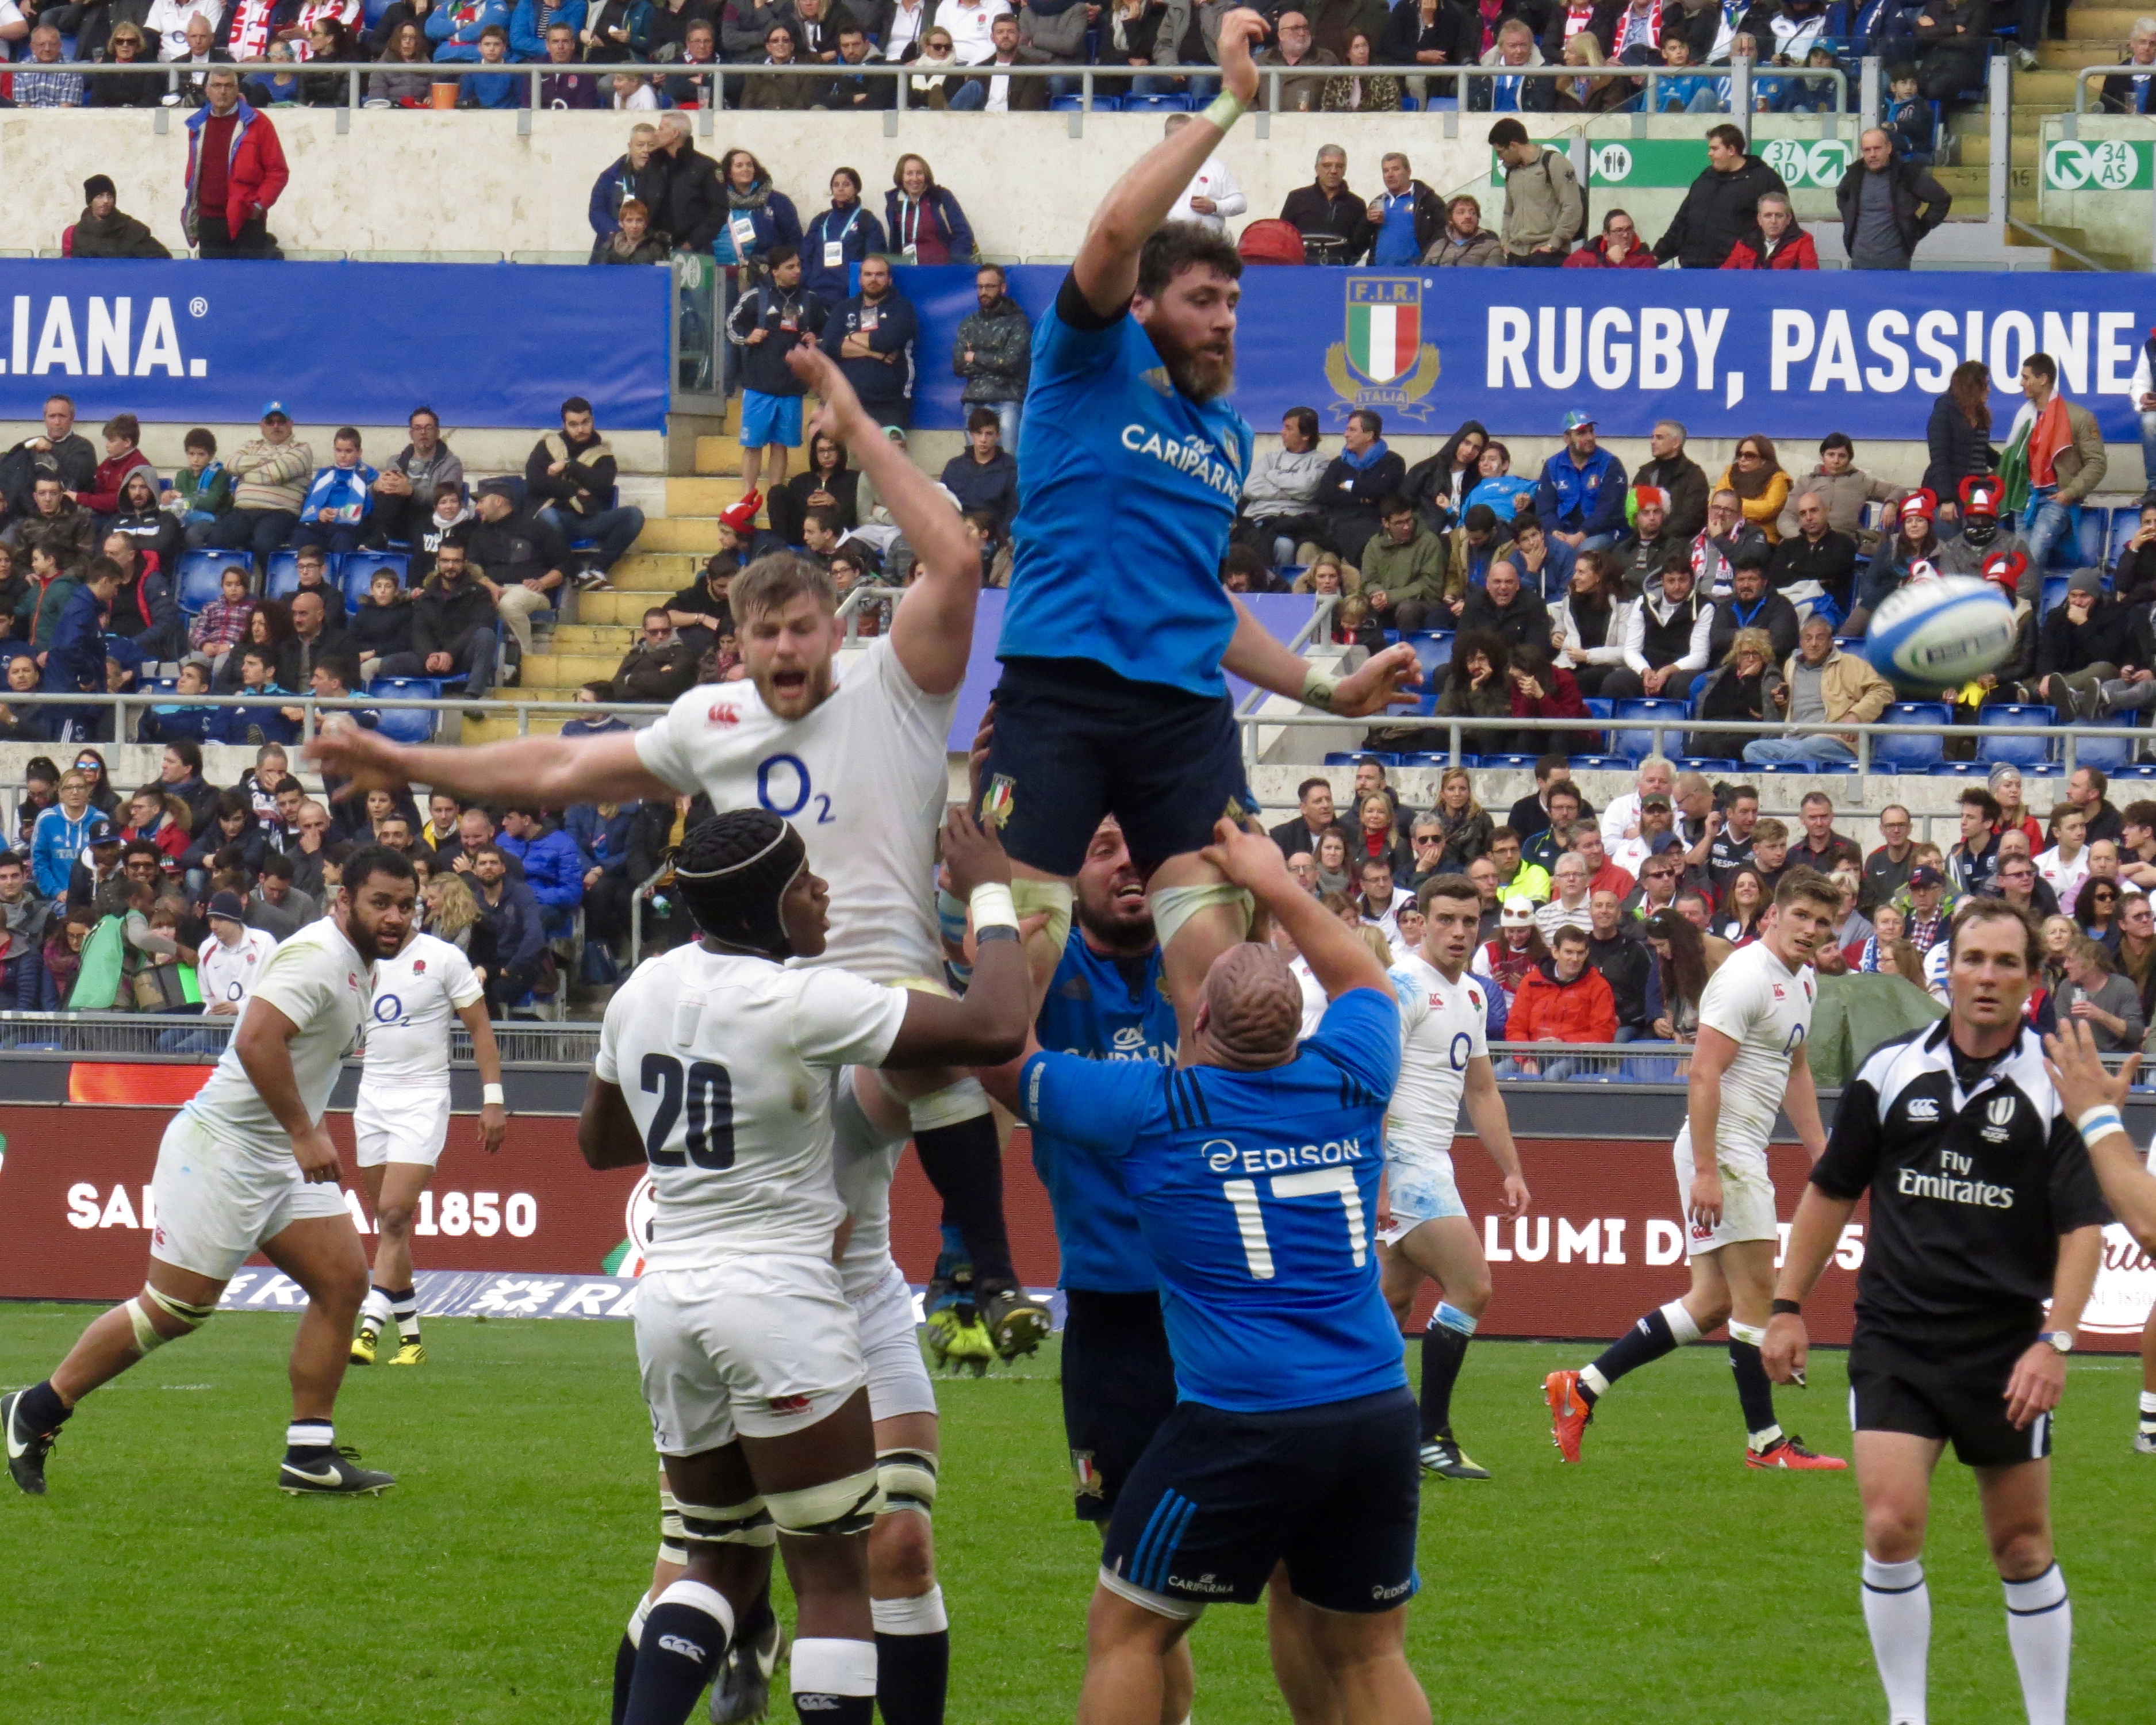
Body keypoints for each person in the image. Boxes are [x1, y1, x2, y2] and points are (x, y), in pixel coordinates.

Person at [313, 343, 1056, 1364]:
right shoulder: (714, 718)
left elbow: (959, 564)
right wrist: (406, 756)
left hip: (881, 1006)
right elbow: (559, 768)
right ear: (737, 643)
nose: (787, 649)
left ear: (835, 630)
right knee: (827, 1269)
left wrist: (850, 415)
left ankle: (988, 1270)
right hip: (771, 1022)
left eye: (803, 629)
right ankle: (876, 1351)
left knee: (938, 1056)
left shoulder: (895, 682)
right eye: (767, 634)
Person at [584, 804, 1029, 1725]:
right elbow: (993, 1026)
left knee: (714, 1561)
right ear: (766, 908)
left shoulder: (642, 989)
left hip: (671, 1304)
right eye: (803, 881)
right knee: (830, 1577)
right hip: (779, 1302)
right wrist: (991, 894)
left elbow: (599, 1143)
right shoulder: (804, 1002)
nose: (821, 891)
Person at [1015, 819, 1428, 1724]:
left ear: (1194, 1020)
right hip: (1373, 1407)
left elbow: (1002, 1057)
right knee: (1370, 1653)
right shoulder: (1353, 1076)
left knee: (1128, 1631)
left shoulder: (1157, 1108)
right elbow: (1363, 982)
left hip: (1244, 1419)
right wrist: (1275, 883)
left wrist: (1003, 934)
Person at [1765, 902, 2109, 1725]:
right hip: (1897, 1339)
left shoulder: (2053, 1087)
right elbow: (1830, 1193)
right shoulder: (1890, 1070)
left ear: (2032, 979)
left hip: (2005, 1350)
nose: (1987, 977)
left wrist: (2055, 1341)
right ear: (1947, 970)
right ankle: (1907, 1716)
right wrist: (1785, 1306)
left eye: (2006, 962)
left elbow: (2082, 1230)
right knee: (1890, 1528)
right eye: (1973, 959)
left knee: (2020, 1546)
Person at [5, 849, 422, 1500]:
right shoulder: (318, 957)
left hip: (275, 1157)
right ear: (344, 900)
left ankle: (309, 1454)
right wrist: (304, 1132)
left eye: (406, 905)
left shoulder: (357, 962)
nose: (395, 917)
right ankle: (35, 1409)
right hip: (223, 1149)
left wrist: (296, 1136)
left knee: (344, 1285)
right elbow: (254, 1041)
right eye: (381, 903)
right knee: (174, 1311)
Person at [1548, 867, 1846, 1470]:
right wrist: (1708, 1169)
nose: (1810, 930)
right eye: (1801, 916)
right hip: (1725, 1149)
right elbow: (1704, 1071)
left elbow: (1795, 1068)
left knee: (1711, 1302)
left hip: (1736, 1148)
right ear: (1772, 915)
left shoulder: (1804, 980)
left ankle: (1582, 1387)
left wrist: (1822, 1152)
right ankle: (1766, 1443)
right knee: (1757, 1295)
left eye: (1822, 922)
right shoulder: (1745, 976)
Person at [1381, 872, 1529, 1480]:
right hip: (1404, 1160)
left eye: (1470, 921)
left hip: (1429, 1160)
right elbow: (1374, 1084)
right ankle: (1430, 1435)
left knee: (1387, 1304)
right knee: (1472, 1286)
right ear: (1420, 921)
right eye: (1446, 919)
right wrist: (1379, 1179)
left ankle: (1353, 1432)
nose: (1459, 932)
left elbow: (1482, 1090)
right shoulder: (1400, 985)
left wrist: (1512, 1170)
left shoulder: (1473, 994)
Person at [346, 913, 507, 1370]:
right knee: (389, 1226)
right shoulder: (357, 958)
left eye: (400, 904)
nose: (391, 915)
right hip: (372, 1096)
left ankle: (368, 1329)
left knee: (396, 1213)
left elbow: (480, 1028)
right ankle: (412, 1340)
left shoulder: (443, 958)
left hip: (423, 1097)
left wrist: (493, 1100)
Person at [1744, 612, 1895, 766]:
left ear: (1830, 642)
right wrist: (1784, 702)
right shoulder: (1791, 665)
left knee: (1800, 752)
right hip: (1794, 740)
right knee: (1753, 750)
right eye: (1808, 638)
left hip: (1834, 739)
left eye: (1820, 638)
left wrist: (1856, 715)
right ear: (1801, 643)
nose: (1814, 644)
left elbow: (1883, 690)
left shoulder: (1849, 663)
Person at [182, 70, 287, 259]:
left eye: (229, 86)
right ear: (207, 90)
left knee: (247, 276)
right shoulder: (197, 124)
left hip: (246, 219)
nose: (223, 92)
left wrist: (258, 206)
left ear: (237, 89)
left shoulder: (258, 123)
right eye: (217, 86)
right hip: (208, 220)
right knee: (212, 277)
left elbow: (278, 171)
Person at [1652, 123, 1787, 269]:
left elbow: (1782, 226)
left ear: (1731, 150)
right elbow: (1682, 222)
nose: (1709, 153)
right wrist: (1656, 256)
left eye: (1715, 149)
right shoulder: (1706, 179)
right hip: (1692, 269)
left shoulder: (1764, 180)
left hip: (1736, 272)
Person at [1835, 125, 1951, 273]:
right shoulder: (1854, 174)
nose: (1872, 154)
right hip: (1859, 262)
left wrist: (1921, 227)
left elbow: (1942, 199)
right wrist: (1850, 219)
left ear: (1889, 148)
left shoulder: (1907, 173)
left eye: (1877, 148)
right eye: (1867, 150)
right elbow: (1842, 196)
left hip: (1896, 264)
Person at [950, 264, 1032, 454]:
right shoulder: (969, 323)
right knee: (974, 463)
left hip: (1007, 401)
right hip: (974, 401)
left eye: (989, 286)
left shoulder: (1018, 322)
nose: (984, 292)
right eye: (980, 287)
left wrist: (975, 356)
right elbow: (959, 366)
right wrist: (995, 362)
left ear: (1003, 288)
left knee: (1008, 461)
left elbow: (1011, 363)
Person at [1487, 117, 1582, 264]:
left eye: (1500, 152)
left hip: (1547, 253)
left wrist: (1553, 244)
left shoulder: (1553, 162)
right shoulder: (1512, 172)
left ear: (1513, 146)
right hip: (1516, 253)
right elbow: (1509, 212)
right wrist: (1505, 242)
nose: (1500, 158)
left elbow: (1572, 207)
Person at [1720, 191, 1818, 269]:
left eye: (1779, 216)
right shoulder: (1745, 243)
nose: (1773, 221)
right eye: (1768, 216)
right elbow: (1724, 275)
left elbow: (1810, 279)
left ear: (1788, 219)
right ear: (1759, 219)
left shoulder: (1803, 241)